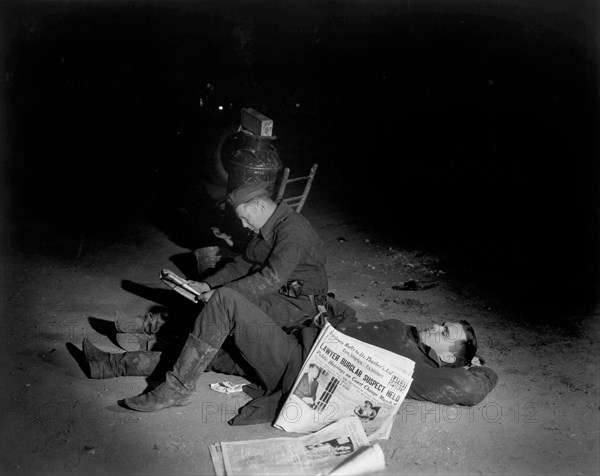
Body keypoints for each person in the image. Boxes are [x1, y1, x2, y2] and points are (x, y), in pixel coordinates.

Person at [81, 287, 498, 420]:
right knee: (212, 344)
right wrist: (330, 309)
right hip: (300, 342)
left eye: (445, 333)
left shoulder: (426, 374)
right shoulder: (408, 334)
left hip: (299, 367)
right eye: (443, 323)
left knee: (226, 302)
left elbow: (472, 388)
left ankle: (174, 389)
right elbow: (360, 329)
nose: (437, 326)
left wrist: (481, 368)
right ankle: (110, 365)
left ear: (447, 356)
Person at [113, 180, 355, 350]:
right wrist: (206, 284)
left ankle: (156, 338)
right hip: (278, 294)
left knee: (223, 310)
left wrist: (220, 294)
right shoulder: (267, 228)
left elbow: (271, 278)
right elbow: (243, 264)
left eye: (244, 217)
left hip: (299, 304)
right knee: (208, 299)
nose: (243, 224)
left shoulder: (292, 229)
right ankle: (151, 326)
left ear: (260, 206)